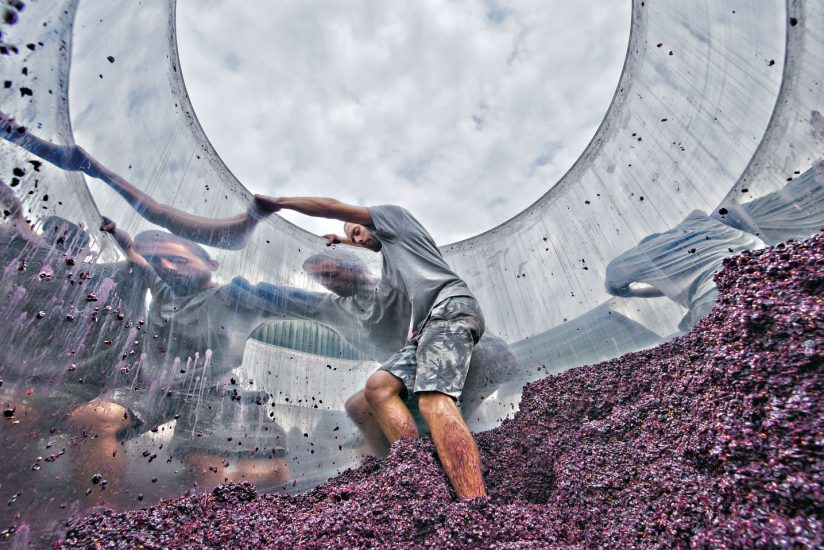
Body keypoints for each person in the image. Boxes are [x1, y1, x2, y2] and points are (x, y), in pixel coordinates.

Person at [254, 196, 487, 500]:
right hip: (427, 329)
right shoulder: (390, 259)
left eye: (358, 230)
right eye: (353, 237)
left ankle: (474, 505)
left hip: (450, 308)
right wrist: (344, 241)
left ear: (373, 222)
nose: (359, 238)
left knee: (433, 401)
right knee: (376, 389)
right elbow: (369, 243)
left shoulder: (396, 218)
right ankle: (419, 479)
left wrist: (280, 203)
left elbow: (331, 208)